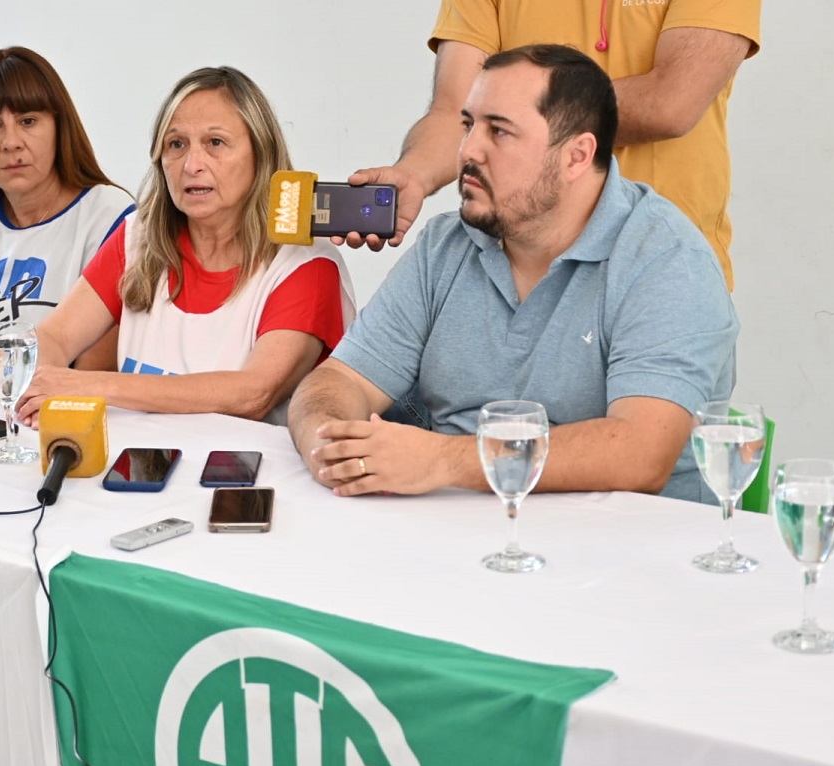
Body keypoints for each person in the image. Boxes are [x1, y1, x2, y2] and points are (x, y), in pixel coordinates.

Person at [288, 44, 738, 504]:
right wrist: (335, 447)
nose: (468, 150)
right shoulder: (447, 244)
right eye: (468, 125)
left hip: (627, 551)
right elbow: (338, 382)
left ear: (577, 156)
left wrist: (442, 460)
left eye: (498, 132)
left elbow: (641, 454)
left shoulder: (666, 259)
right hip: (451, 539)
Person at [14, 66, 355, 427]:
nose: (192, 165)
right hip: (140, 463)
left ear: (261, 154)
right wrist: (40, 391)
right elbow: (54, 336)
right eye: (176, 144)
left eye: (216, 143)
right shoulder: (138, 238)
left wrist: (88, 385)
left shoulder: (306, 264)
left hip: (243, 478)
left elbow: (254, 393)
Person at [343, 0, 759, 291]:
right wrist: (414, 174)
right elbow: (455, 109)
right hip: (517, 278)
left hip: (659, 269)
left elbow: (669, 103)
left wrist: (512, 117)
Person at [0, 46, 135, 363]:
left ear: (60, 127)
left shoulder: (111, 217)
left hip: (51, 411)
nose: (11, 142)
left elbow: (88, 382)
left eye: (28, 121)